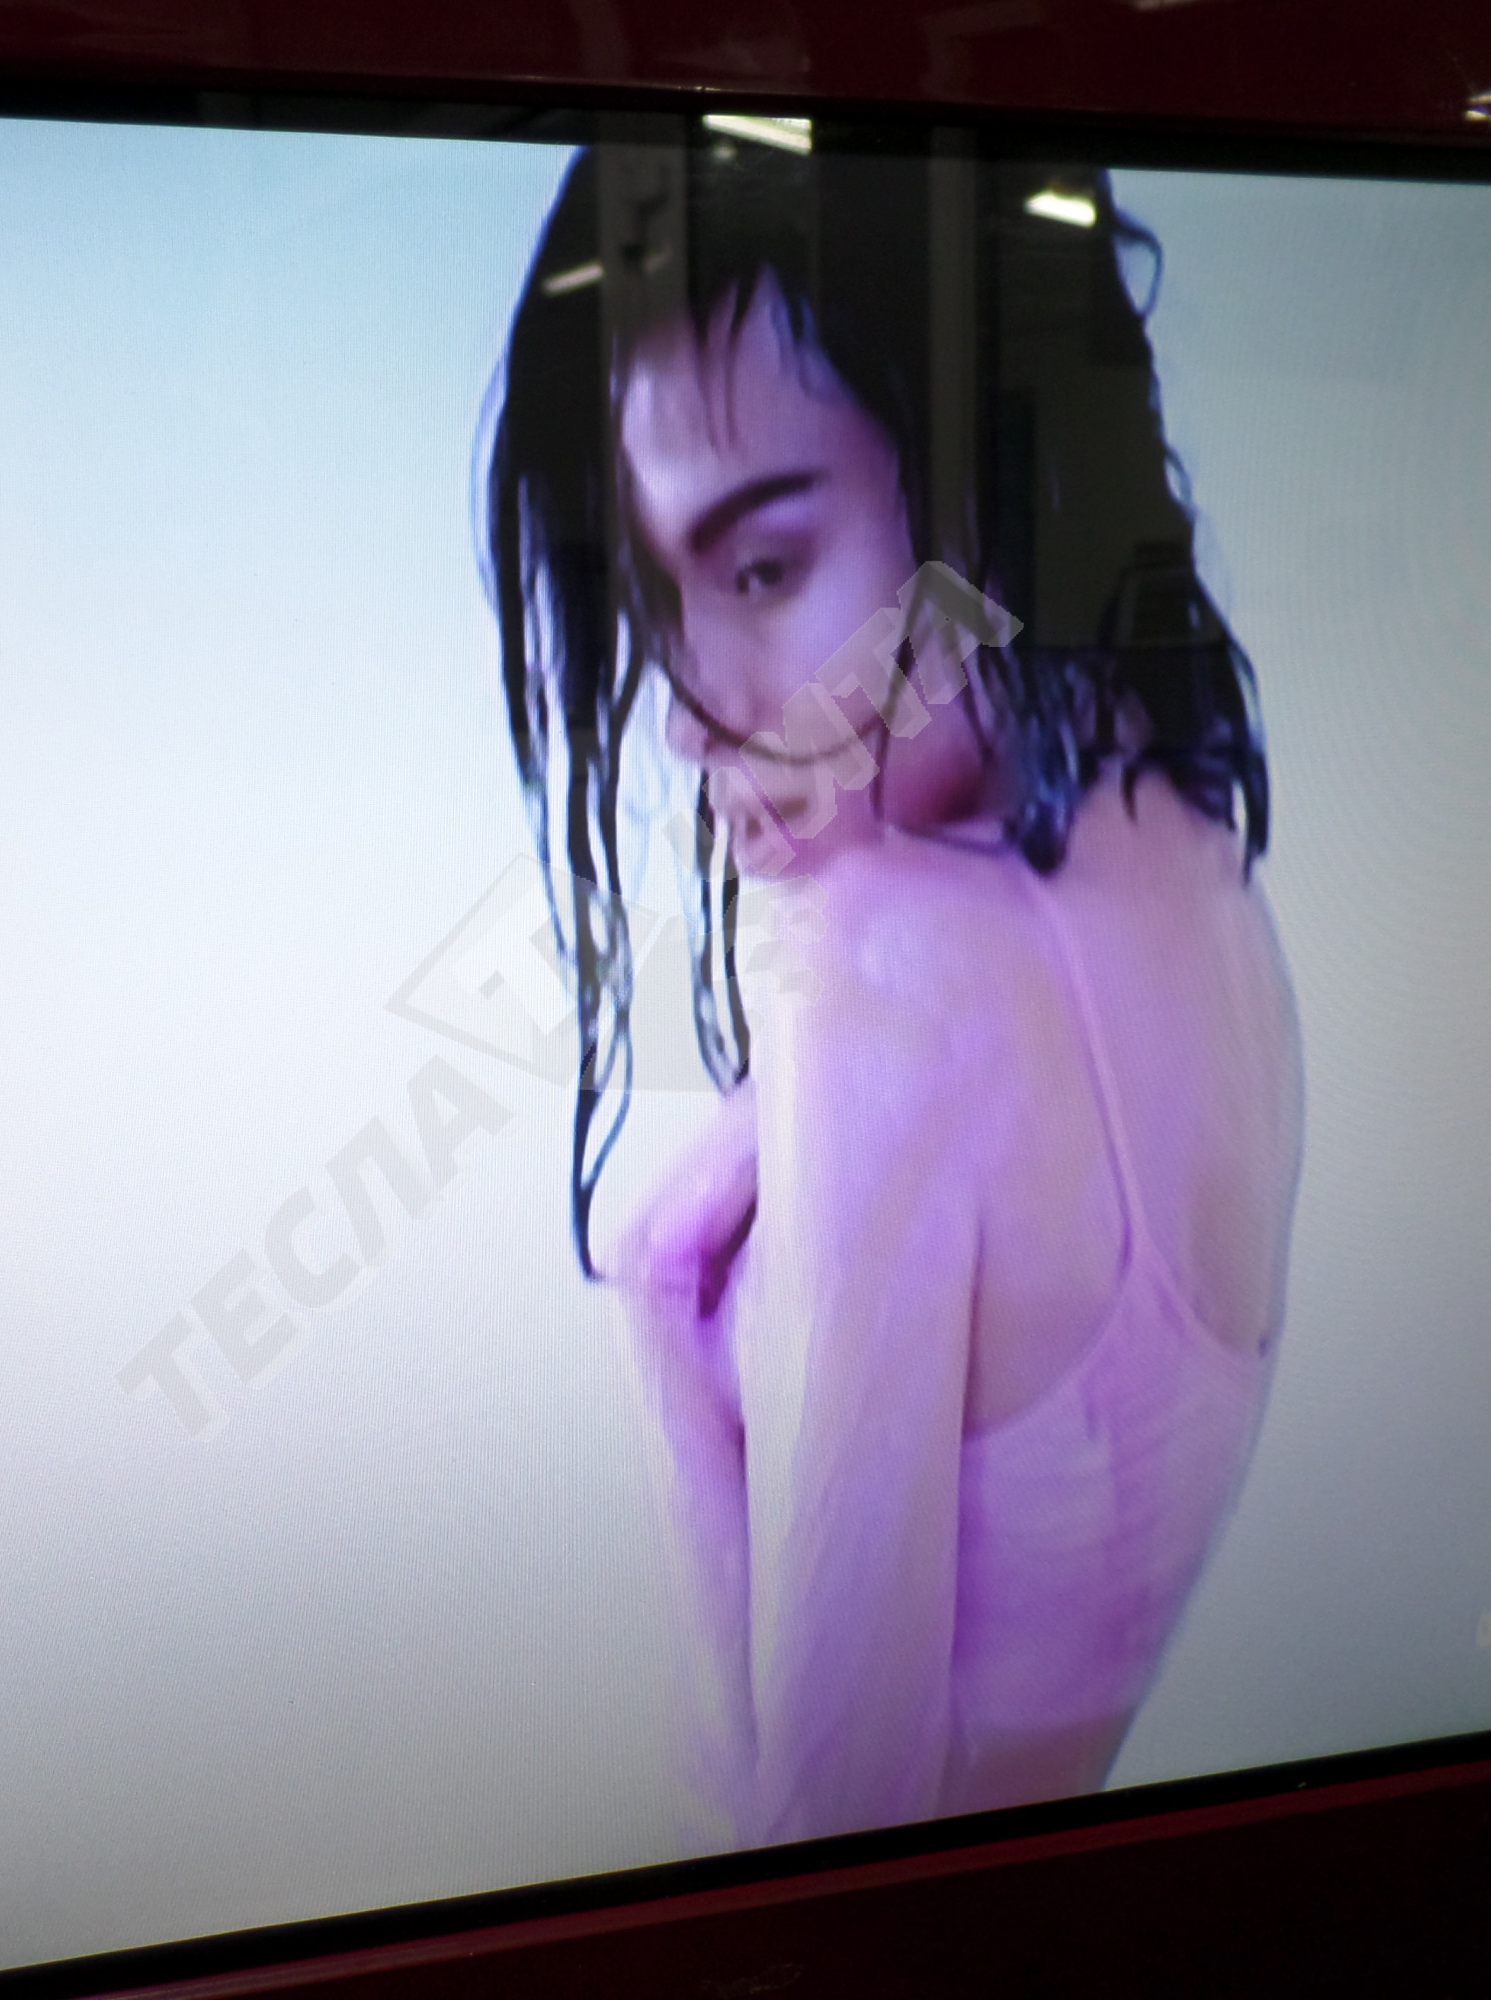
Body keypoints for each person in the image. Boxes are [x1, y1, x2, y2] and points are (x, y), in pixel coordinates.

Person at [484, 142, 1303, 1846]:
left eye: (765, 568)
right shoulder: (1198, 863)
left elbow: (811, 1862)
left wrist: (665, 1317)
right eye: (657, 596)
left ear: (998, 472)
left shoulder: (873, 980)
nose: (689, 712)